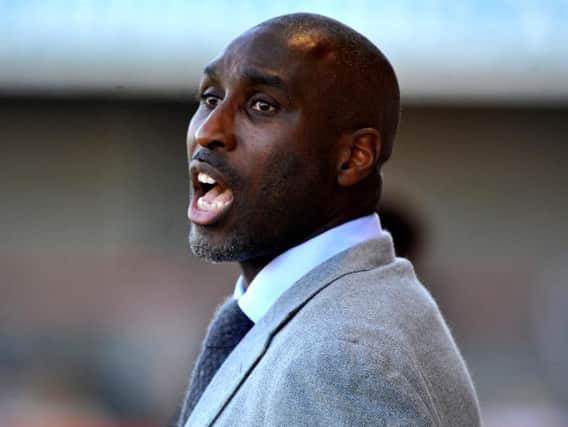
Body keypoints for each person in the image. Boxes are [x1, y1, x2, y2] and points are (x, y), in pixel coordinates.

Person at [178, 13, 481, 427]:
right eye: (211, 98)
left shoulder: (338, 359)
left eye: (262, 105)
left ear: (354, 157)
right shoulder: (338, 316)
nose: (209, 130)